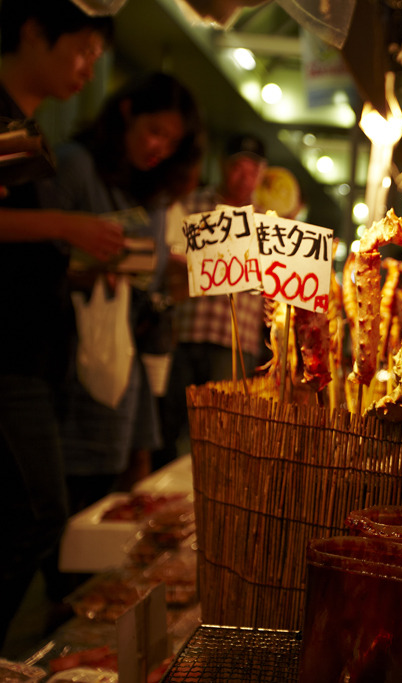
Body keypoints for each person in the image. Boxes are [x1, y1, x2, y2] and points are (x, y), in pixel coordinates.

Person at [35, 71, 204, 607]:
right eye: (154, 131)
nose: (160, 149)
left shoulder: (153, 197)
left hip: (125, 367)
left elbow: (151, 283)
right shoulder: (75, 165)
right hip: (65, 364)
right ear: (127, 113)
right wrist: (83, 264)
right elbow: (34, 264)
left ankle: (82, 621)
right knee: (56, 516)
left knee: (110, 516)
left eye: (172, 142)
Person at [0, 0, 118, 645]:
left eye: (96, 60)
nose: (86, 69)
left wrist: (76, 266)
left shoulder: (28, 126)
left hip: (35, 350)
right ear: (33, 30)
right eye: (82, 51)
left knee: (28, 510)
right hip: (9, 355)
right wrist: (66, 226)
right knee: (39, 513)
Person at [156, 133, 269, 469]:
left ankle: (214, 486)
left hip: (236, 341)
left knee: (222, 426)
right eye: (238, 166)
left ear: (262, 174)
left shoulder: (266, 221)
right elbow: (165, 250)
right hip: (185, 332)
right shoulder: (191, 204)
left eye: (253, 168)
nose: (244, 175)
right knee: (173, 419)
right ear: (222, 166)